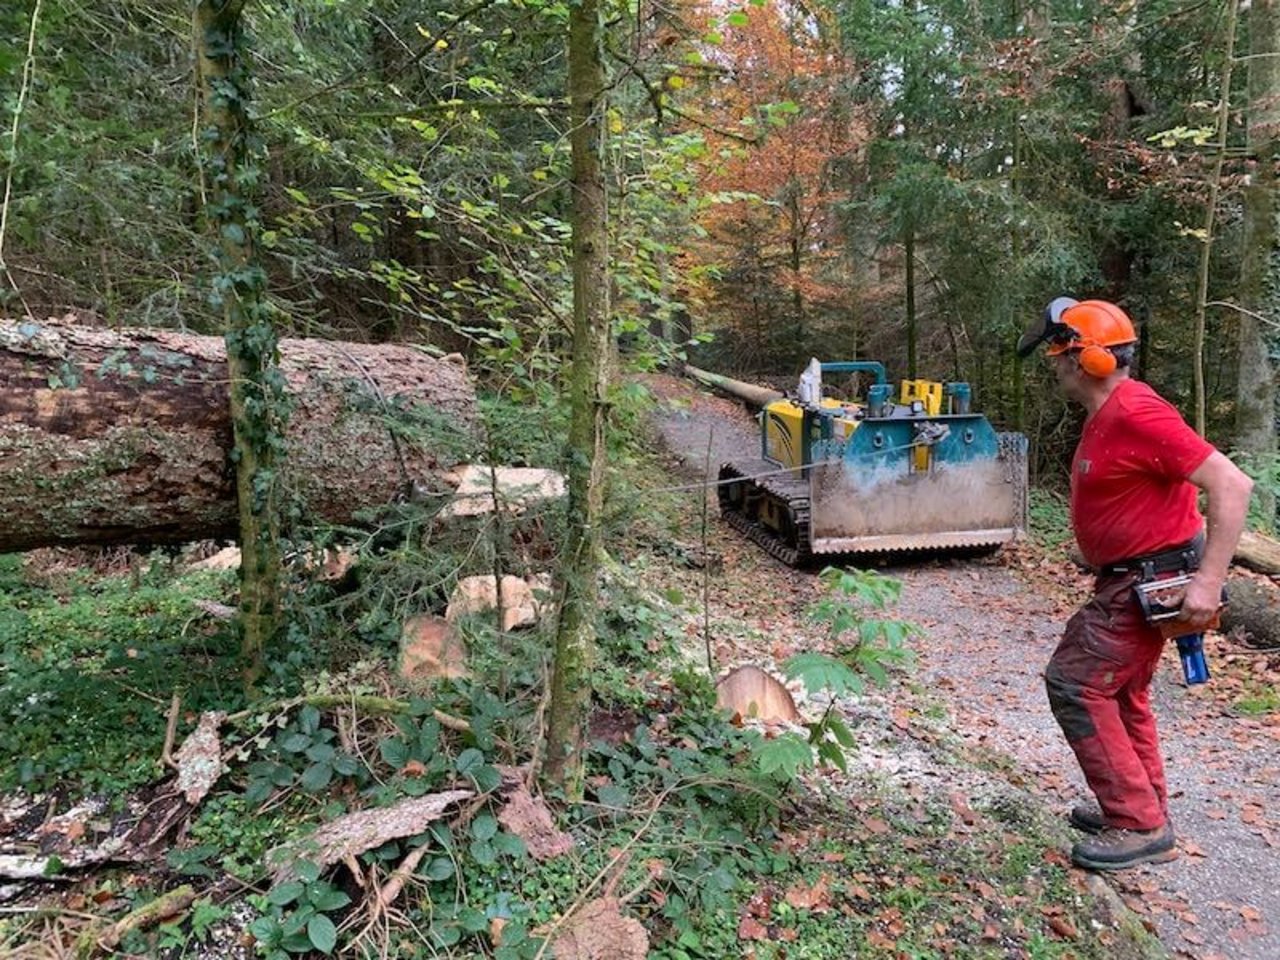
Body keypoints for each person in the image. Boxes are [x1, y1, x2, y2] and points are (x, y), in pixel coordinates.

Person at [1017, 297, 1254, 870]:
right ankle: (1143, 807)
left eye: (1060, 351)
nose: (1054, 363)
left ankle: (1137, 822)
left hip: (1147, 579)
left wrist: (1207, 583)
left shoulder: (1135, 412)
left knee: (1074, 682)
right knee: (1121, 691)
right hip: (1127, 579)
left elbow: (1232, 485)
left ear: (1087, 360)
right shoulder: (1113, 413)